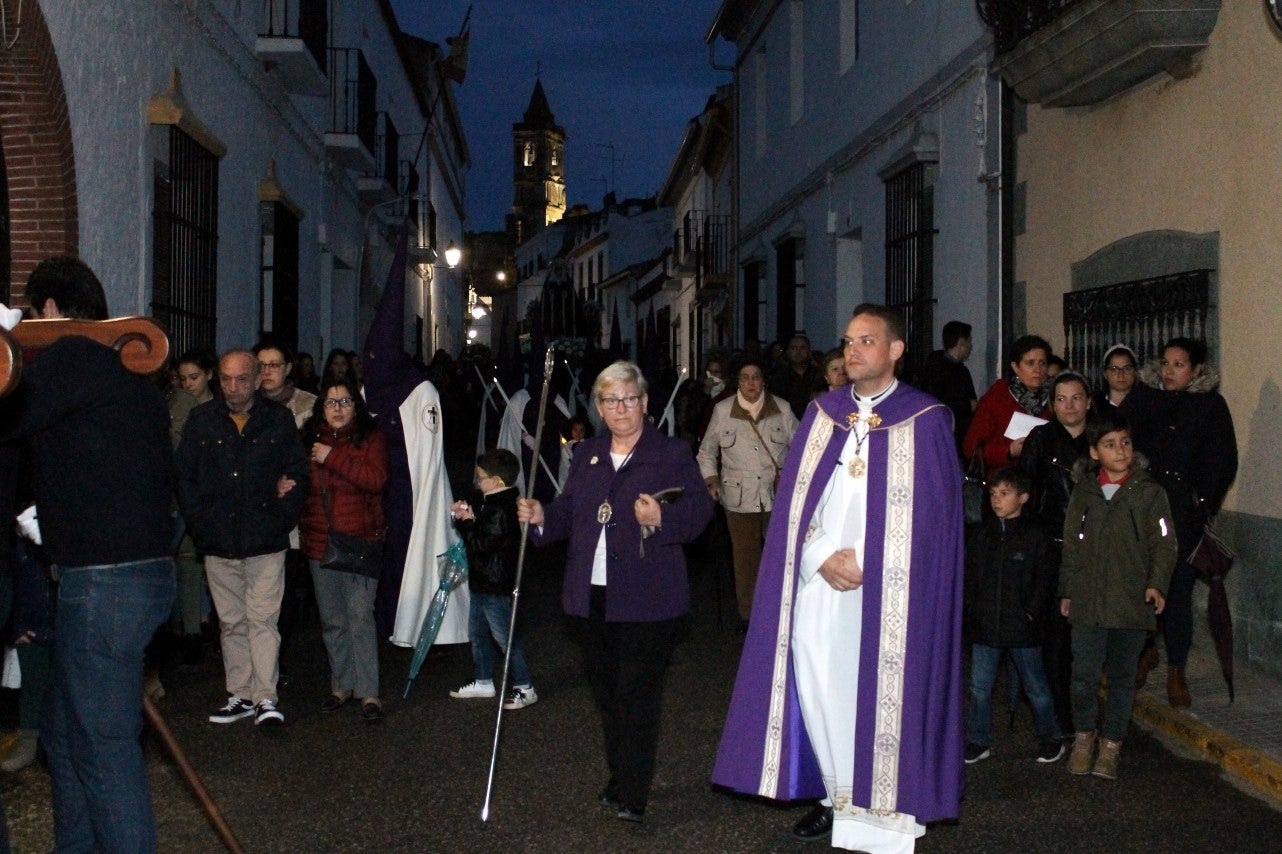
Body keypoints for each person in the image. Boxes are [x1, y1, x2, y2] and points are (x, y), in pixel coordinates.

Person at [712, 304, 964, 852]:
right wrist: (823, 554)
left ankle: (887, 816)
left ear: (895, 350)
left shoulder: (926, 419)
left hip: (892, 593)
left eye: (866, 341)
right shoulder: (823, 415)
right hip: (823, 584)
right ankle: (838, 798)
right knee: (819, 682)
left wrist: (870, 561)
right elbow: (796, 504)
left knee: (882, 693)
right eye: (848, 341)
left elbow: (935, 520)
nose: (853, 351)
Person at [1, 256, 176, 851]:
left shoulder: (72, 358)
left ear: (50, 310)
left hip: (106, 583)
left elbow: (9, 419)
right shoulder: (128, 377)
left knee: (103, 748)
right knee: (66, 735)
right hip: (135, 576)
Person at [517, 360, 713, 823]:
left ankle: (634, 789)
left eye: (629, 398)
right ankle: (620, 772)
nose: (621, 408)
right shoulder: (587, 454)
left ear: (645, 403)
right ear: (600, 408)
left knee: (637, 695)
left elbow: (701, 514)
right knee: (607, 694)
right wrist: (542, 515)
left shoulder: (671, 454)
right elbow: (569, 511)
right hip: (592, 595)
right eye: (610, 400)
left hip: (648, 596)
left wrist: (662, 520)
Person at [176, 349, 310, 727]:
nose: (233, 387)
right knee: (231, 621)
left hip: (264, 538)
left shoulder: (278, 421)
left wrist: (281, 517)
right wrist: (199, 522)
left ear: (256, 380)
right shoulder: (203, 421)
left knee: (262, 618)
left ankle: (266, 697)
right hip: (219, 539)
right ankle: (240, 694)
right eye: (226, 379)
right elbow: (185, 476)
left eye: (240, 379)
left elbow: (298, 473)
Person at [1060, 411, 1176, 779]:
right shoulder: (1085, 493)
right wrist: (1067, 589)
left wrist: (1156, 583)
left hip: (1131, 603)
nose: (1120, 450)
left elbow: (1165, 543)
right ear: (1095, 453)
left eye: (1125, 442)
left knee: (1124, 679)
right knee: (1083, 677)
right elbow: (1071, 546)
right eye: (1110, 444)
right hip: (1089, 601)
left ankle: (1112, 745)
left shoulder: (1149, 493)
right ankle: (1084, 737)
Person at [1132, 337, 1237, 707]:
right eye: (1166, 362)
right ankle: (1144, 653)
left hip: (1185, 519)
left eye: (1179, 364)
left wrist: (1201, 503)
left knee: (1177, 594)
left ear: (1195, 370)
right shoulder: (1145, 400)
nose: (1170, 370)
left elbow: (1224, 461)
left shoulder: (1209, 406)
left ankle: (1176, 670)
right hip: (1144, 515)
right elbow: (1120, 443)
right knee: (1142, 593)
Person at [298, 378, 389, 722]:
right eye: (331, 402)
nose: (338, 409)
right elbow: (300, 483)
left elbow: (375, 478)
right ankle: (342, 685)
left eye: (345, 402)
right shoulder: (307, 440)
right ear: (321, 406)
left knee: (360, 617)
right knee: (332, 620)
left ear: (357, 405)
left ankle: (369, 692)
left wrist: (333, 457)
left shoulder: (371, 439)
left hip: (362, 541)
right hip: (321, 542)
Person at [963, 467, 1063, 765]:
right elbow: (971, 577)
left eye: (1004, 494)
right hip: (986, 625)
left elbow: (1044, 579)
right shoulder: (982, 535)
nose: (996, 500)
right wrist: (973, 611)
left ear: (1023, 498)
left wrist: (1031, 612)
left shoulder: (1035, 535)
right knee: (979, 687)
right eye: (993, 494)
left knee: (1036, 687)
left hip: (1021, 626)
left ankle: (1051, 737)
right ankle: (979, 740)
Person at [697, 357, 798, 629]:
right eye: (745, 377)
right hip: (737, 497)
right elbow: (706, 452)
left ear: (763, 381)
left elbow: (801, 450)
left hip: (776, 495)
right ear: (738, 382)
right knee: (745, 558)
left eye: (755, 377)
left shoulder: (782, 409)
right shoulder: (722, 410)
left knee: (780, 556)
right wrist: (712, 480)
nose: (751, 383)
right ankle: (750, 615)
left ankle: (780, 609)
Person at [1019, 371, 1092, 735]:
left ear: (1088, 401)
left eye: (1076, 398)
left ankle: (1088, 716)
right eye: (1061, 399)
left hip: (1095, 550)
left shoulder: (1102, 440)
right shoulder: (1041, 439)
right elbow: (1027, 490)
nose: (1069, 406)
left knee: (1090, 638)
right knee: (1056, 640)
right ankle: (1058, 718)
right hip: (1052, 547)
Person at [449, 448, 538, 710]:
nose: (477, 482)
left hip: (494, 584)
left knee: (504, 636)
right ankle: (484, 679)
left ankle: (525, 685)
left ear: (496, 481)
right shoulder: (497, 504)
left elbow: (480, 544)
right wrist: (471, 518)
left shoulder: (500, 508)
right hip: (485, 580)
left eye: (481, 477)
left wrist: (465, 522)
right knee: (477, 632)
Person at [963, 334, 1052, 479]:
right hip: (1004, 483)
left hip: (1043, 485)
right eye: (1030, 363)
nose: (1037, 369)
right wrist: (1008, 451)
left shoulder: (1054, 398)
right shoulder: (999, 396)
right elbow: (971, 448)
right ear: (1015, 367)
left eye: (1042, 363)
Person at [919, 320, 978, 454]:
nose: (971, 346)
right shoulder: (936, 369)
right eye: (969, 341)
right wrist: (967, 405)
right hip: (943, 434)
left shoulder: (960, 370)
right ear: (962, 343)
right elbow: (936, 400)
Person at [768, 333, 825, 420]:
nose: (798, 352)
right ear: (787, 352)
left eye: (802, 348)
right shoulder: (778, 377)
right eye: (794, 348)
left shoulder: (820, 375)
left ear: (809, 352)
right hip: (787, 424)